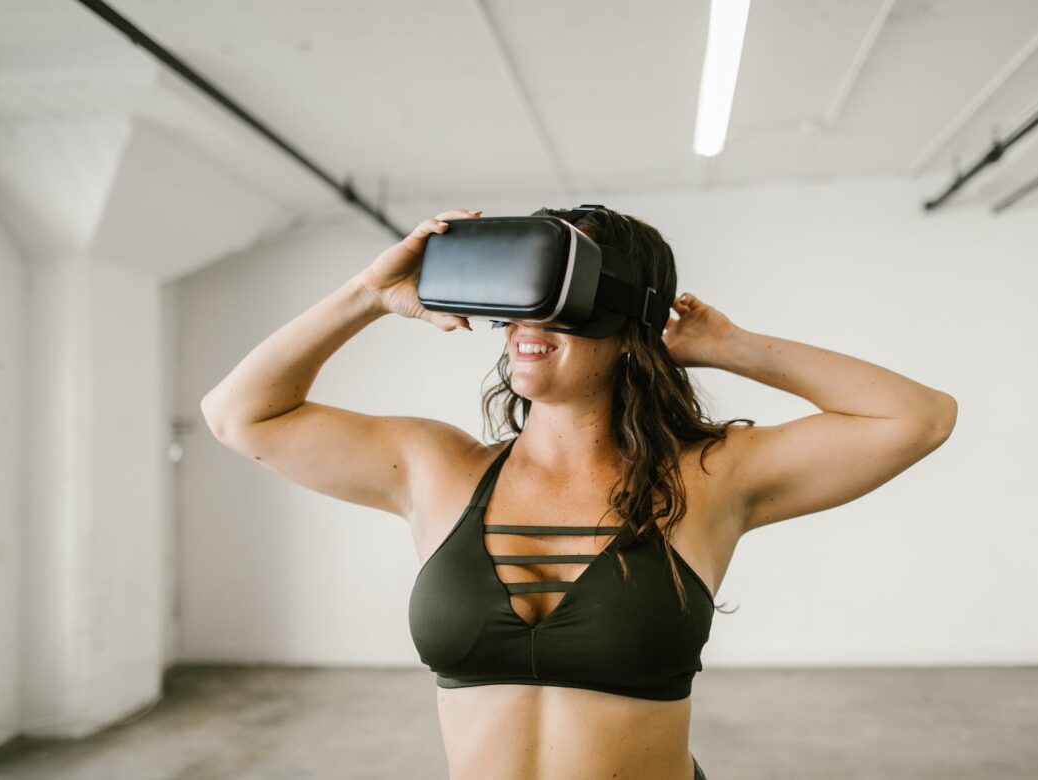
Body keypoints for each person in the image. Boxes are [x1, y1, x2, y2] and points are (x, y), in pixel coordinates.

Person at [201, 206, 957, 780]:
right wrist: (368, 293)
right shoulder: (439, 468)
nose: (530, 319)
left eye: (561, 294)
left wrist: (732, 348)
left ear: (627, 318)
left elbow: (918, 418)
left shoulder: (709, 479)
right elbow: (238, 414)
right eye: (524, 292)